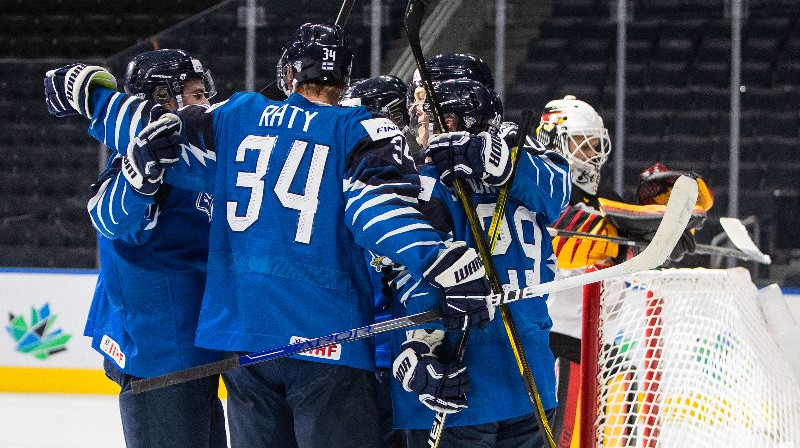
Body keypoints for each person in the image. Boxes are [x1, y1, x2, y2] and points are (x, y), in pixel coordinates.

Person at [44, 23, 495, 448]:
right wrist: (436, 259)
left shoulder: (239, 114)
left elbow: (159, 131)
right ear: (345, 78)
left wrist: (93, 97)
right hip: (326, 338)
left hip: (246, 344)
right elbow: (374, 211)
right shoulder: (360, 128)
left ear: (286, 73)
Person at [46, 49, 226, 448]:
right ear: (164, 100)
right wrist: (138, 181)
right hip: (160, 355)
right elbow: (111, 220)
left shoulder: (195, 152)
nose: (205, 104)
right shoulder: (152, 156)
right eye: (195, 95)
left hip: (192, 351)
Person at [390, 77, 570, 447]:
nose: (420, 125)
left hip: (457, 379)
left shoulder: (424, 183)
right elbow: (558, 189)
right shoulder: (521, 161)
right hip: (529, 376)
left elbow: (413, 273)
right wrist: (504, 165)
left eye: (431, 115)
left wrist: (415, 348)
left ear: (456, 121)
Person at [537, 96, 712, 446]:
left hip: (596, 343)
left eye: (595, 144)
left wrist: (665, 222)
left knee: (611, 418)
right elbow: (573, 240)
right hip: (554, 342)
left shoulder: (600, 194)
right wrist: (634, 241)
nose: (592, 154)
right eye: (581, 144)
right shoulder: (545, 188)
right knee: (559, 436)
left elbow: (620, 228)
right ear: (552, 140)